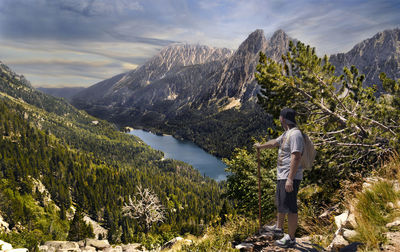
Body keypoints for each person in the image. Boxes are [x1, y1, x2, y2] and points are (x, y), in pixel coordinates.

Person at [254, 108, 304, 249]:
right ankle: (278, 228)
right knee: (282, 203)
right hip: (283, 175)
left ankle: (291, 239)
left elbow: (296, 156)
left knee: (291, 207)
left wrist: (290, 179)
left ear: (283, 119)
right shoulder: (286, 134)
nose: (279, 119)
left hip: (289, 176)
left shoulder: (295, 135)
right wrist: (260, 147)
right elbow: (274, 143)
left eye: (280, 116)